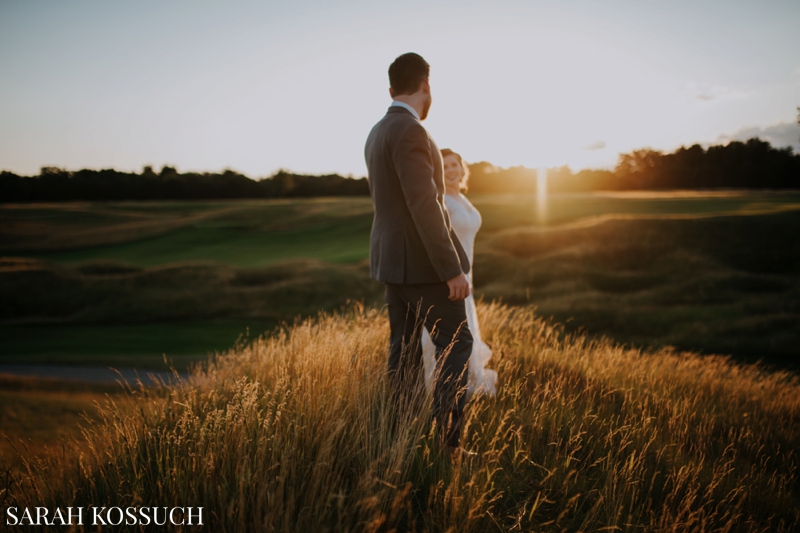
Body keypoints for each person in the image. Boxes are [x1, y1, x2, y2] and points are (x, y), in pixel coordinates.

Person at [364, 53, 473, 453]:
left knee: (404, 352)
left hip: (392, 264)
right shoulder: (411, 131)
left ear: (391, 90)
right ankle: (449, 444)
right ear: (426, 85)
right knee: (458, 343)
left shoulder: (377, 131)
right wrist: (452, 269)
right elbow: (424, 205)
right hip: (423, 266)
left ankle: (402, 439)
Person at [421, 150, 497, 397]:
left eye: (455, 164)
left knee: (465, 330)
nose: (451, 170)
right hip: (449, 277)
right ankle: (440, 386)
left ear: (463, 169)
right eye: (445, 166)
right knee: (449, 334)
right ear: (437, 172)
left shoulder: (462, 199)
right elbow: (436, 242)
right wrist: (451, 275)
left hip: (467, 275)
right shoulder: (439, 201)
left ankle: (463, 380)